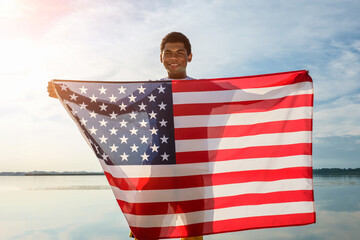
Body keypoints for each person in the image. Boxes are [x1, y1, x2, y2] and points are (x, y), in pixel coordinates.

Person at [47, 32, 203, 240]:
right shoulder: (153, 89)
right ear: (161, 57)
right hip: (157, 171)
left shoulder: (204, 90)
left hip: (192, 173)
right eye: (168, 53)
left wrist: (263, 92)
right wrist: (68, 94)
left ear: (190, 57)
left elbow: (244, 100)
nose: (173, 58)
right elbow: (115, 107)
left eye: (180, 53)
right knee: (144, 233)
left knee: (193, 235)